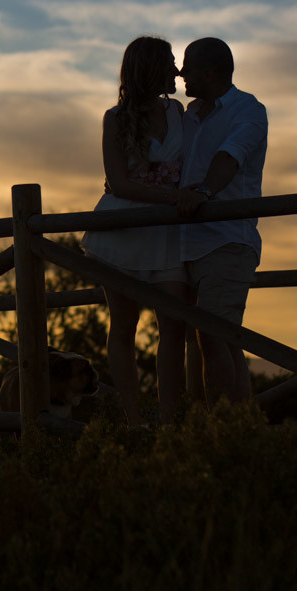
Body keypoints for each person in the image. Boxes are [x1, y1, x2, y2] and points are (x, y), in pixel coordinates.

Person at [81, 35, 189, 427]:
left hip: (168, 235)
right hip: (123, 231)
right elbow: (121, 183)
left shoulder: (178, 112)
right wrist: (173, 198)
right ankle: (132, 419)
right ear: (150, 69)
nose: (177, 70)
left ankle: (168, 419)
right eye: (170, 62)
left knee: (174, 326)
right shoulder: (116, 119)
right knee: (124, 328)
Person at [173, 37, 268, 403]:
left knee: (213, 336)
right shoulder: (189, 116)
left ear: (208, 73)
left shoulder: (247, 110)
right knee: (216, 339)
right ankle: (233, 430)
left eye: (188, 66)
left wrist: (205, 192)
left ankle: (225, 430)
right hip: (185, 245)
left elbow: (231, 156)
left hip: (227, 241)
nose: (181, 73)